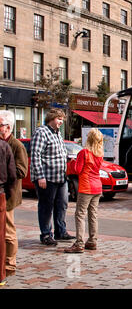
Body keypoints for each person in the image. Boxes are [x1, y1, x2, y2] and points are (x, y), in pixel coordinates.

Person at [31, 108, 75, 246]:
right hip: (47, 177)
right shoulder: (41, 132)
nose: (61, 122)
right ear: (51, 118)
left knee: (62, 204)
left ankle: (60, 231)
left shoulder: (57, 134)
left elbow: (59, 154)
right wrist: (40, 176)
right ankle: (46, 234)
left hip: (60, 177)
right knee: (46, 206)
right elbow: (35, 155)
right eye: (59, 119)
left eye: (62, 119)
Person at [65, 129, 104, 253]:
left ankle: (79, 243)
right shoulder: (99, 153)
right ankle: (92, 240)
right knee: (93, 214)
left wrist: (71, 163)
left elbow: (77, 169)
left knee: (80, 214)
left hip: (86, 186)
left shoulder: (84, 152)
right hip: (97, 186)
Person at [0, 111, 28, 278]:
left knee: (9, 231)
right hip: (3, 192)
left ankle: (10, 265)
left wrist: (5, 169)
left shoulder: (16, 145)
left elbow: (22, 171)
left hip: (10, 193)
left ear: (8, 127)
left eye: (0, 125)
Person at [0, 138, 16, 287]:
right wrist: (8, 193)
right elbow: (12, 175)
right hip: (0, 193)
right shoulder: (4, 146)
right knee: (1, 237)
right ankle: (1, 276)